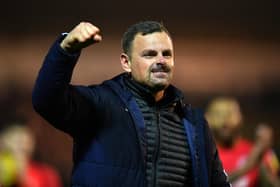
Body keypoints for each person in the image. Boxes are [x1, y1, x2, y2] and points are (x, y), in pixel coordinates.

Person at [32, 21, 230, 187]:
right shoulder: (101, 103)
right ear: (126, 63)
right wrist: (65, 50)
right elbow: (46, 101)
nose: (161, 60)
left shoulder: (194, 124)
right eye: (150, 54)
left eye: (167, 54)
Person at [205, 97, 280, 187]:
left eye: (230, 114)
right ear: (208, 118)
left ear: (240, 117)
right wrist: (247, 166)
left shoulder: (255, 151)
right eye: (218, 115)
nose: (225, 122)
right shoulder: (203, 155)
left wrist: (262, 162)